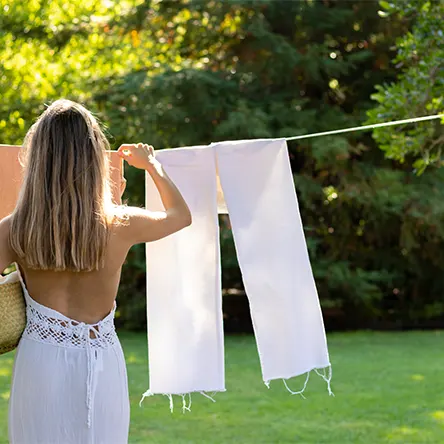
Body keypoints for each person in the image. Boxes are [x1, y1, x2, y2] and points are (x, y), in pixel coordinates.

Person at [0, 99, 192, 444]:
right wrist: (151, 165)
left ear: (37, 158)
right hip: (101, 358)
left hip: (40, 361)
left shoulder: (13, 229)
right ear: (94, 157)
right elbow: (180, 216)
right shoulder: (121, 223)